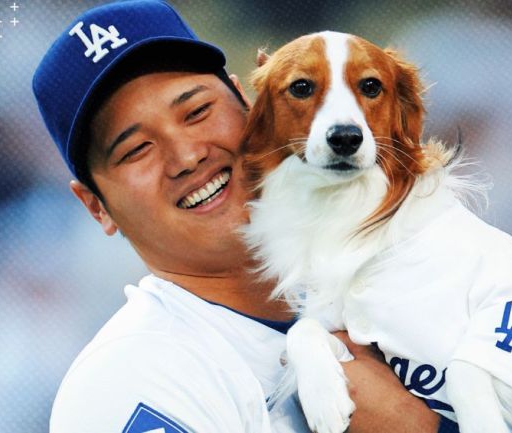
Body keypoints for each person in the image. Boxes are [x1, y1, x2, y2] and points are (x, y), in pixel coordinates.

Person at [32, 1, 441, 432]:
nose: (187, 157)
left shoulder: (400, 259)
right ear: (96, 206)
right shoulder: (131, 376)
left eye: (196, 112)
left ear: (249, 103)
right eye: (136, 150)